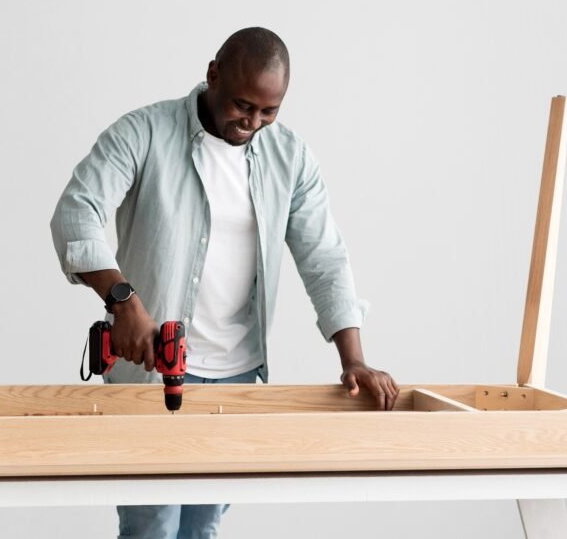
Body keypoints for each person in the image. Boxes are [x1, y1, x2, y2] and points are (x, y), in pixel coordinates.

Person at [50, 27, 399, 538]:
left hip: (237, 379)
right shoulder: (143, 133)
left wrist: (355, 360)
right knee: (152, 527)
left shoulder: (290, 158)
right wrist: (122, 301)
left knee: (203, 527)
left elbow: (323, 256)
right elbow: (75, 214)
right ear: (212, 73)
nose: (252, 122)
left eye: (268, 111)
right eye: (242, 105)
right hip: (153, 375)